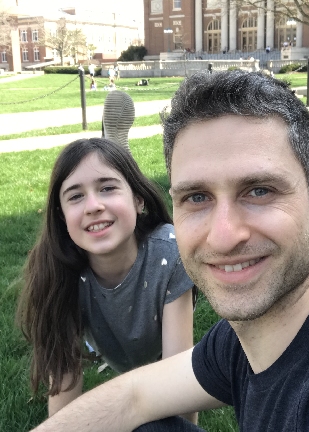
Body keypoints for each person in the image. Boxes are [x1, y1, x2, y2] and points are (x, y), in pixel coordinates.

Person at [32, 71, 309, 432]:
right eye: (197, 196)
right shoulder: (242, 339)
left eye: (259, 191)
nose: (223, 237)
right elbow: (133, 396)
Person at [18, 138, 195, 419]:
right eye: (75, 196)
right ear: (62, 217)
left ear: (138, 199)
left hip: (159, 347)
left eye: (108, 188)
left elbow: (180, 378)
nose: (93, 206)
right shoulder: (56, 272)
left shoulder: (171, 253)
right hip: (108, 341)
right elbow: (63, 396)